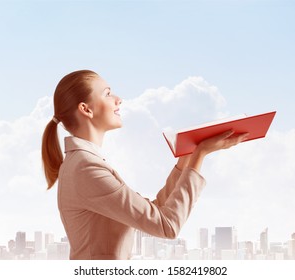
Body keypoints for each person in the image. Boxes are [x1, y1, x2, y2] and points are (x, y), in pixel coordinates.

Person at [41, 70, 248, 260]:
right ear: (86, 109)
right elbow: (167, 226)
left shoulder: (85, 163)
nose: (118, 99)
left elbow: (155, 212)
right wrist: (200, 154)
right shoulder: (86, 168)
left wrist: (188, 158)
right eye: (107, 94)